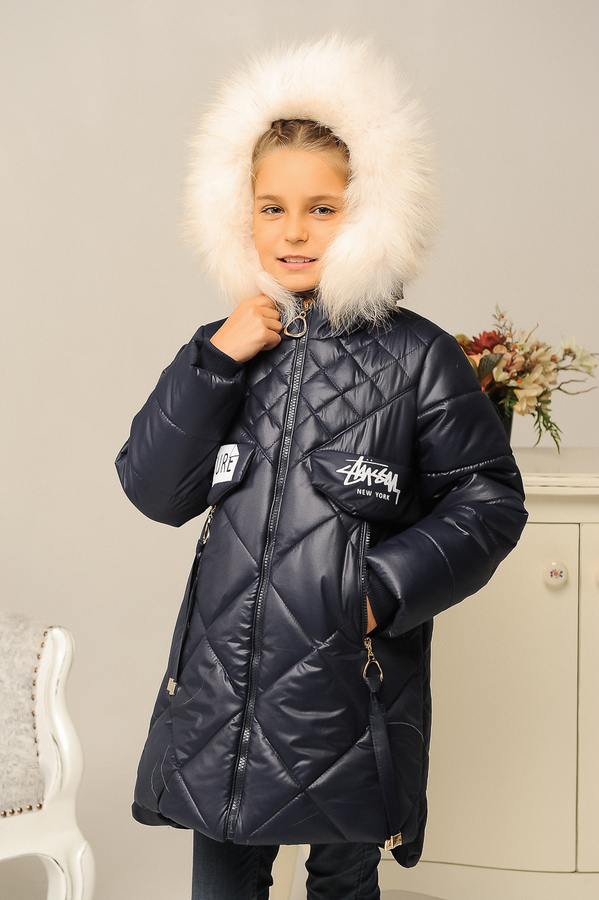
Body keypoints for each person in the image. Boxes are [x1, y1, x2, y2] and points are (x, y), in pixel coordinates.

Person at [116, 36, 528, 900]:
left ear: (369, 213)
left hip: (349, 682)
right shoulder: (225, 346)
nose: (294, 231)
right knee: (221, 879)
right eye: (271, 207)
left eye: (322, 208)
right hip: (224, 690)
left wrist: (375, 589)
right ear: (240, 213)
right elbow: (154, 489)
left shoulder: (418, 358)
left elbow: (486, 500)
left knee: (342, 881)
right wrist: (216, 362)